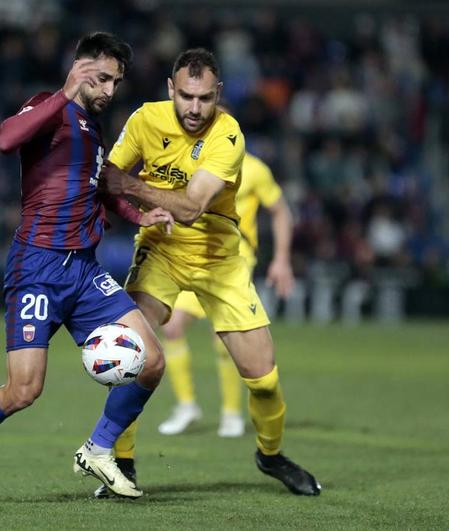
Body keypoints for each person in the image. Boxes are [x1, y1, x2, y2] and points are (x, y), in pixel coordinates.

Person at [0, 32, 173, 506]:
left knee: (153, 361)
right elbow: (2, 139)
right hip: (37, 267)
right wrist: (63, 92)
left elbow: (98, 191)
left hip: (83, 270)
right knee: (23, 389)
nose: (109, 91)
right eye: (102, 79)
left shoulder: (92, 130)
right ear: (80, 69)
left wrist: (142, 215)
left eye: (115, 83)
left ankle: (98, 449)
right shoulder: (47, 108)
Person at [97, 48, 320, 497]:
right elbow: (106, 178)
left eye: (204, 98)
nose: (194, 108)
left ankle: (270, 455)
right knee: (131, 351)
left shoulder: (229, 135)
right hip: (160, 250)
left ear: (218, 93)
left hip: (220, 258)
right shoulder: (144, 120)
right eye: (185, 96)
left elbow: (192, 207)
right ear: (170, 90)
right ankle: (119, 463)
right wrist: (120, 196)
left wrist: (132, 186)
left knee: (264, 378)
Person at [156, 150, 295, 439]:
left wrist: (281, 259)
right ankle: (186, 406)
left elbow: (280, 210)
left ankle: (231, 414)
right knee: (171, 328)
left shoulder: (254, 168)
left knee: (224, 338)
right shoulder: (193, 163)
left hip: (233, 261)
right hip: (193, 259)